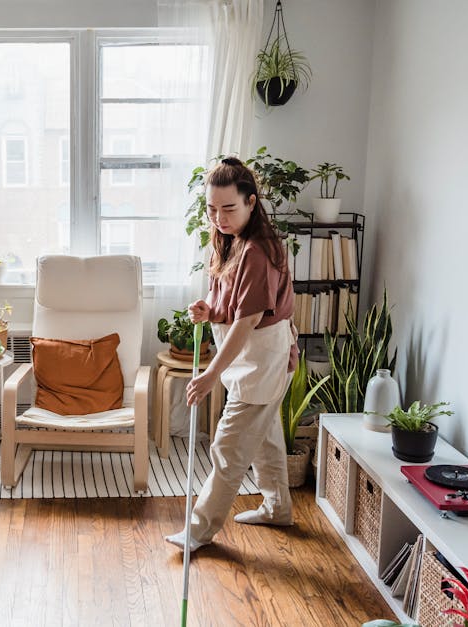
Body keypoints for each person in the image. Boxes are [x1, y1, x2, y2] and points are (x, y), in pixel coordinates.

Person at [166, 157, 298, 552]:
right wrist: (208, 308)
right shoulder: (225, 239)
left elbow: (247, 322)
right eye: (211, 209)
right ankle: (277, 508)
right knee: (267, 439)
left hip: (263, 360)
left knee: (227, 445)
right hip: (249, 358)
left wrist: (209, 374)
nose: (218, 217)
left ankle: (199, 529)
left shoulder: (259, 251)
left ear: (252, 203)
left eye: (228, 209)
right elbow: (227, 298)